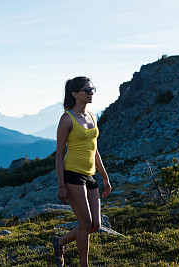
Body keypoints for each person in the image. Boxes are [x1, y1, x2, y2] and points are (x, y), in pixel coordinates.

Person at [52, 76, 112, 267]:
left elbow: (94, 150)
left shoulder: (92, 116)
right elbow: (59, 155)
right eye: (87, 90)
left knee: (96, 225)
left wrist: (105, 177)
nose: (91, 93)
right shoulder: (67, 119)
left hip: (90, 174)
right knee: (85, 222)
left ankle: (60, 242)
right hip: (72, 174)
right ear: (75, 94)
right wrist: (61, 185)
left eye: (92, 89)